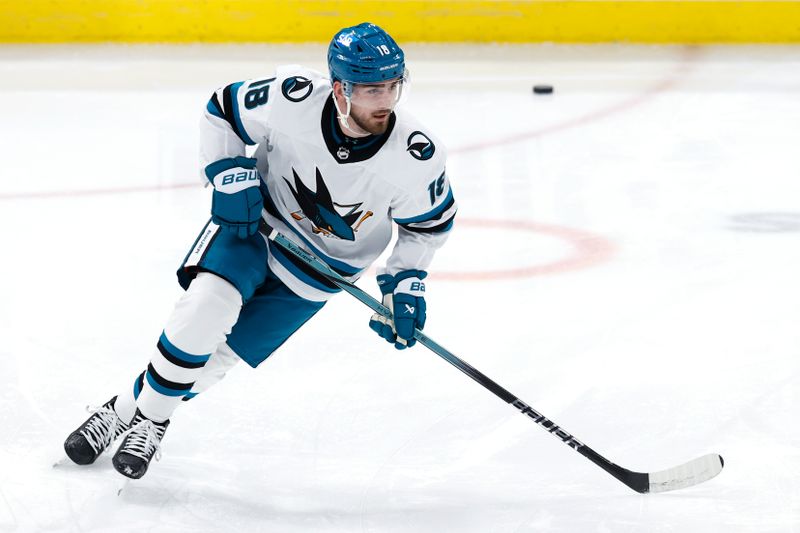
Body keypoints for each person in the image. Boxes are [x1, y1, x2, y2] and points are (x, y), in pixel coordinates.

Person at [63, 22, 457, 480]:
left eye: (393, 85)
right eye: (371, 89)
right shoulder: (293, 97)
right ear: (340, 88)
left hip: (321, 272)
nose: (386, 101)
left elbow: (427, 226)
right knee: (205, 308)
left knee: (216, 360)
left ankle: (122, 410)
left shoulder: (417, 155)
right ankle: (152, 422)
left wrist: (405, 282)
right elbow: (222, 110)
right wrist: (228, 172)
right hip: (257, 225)